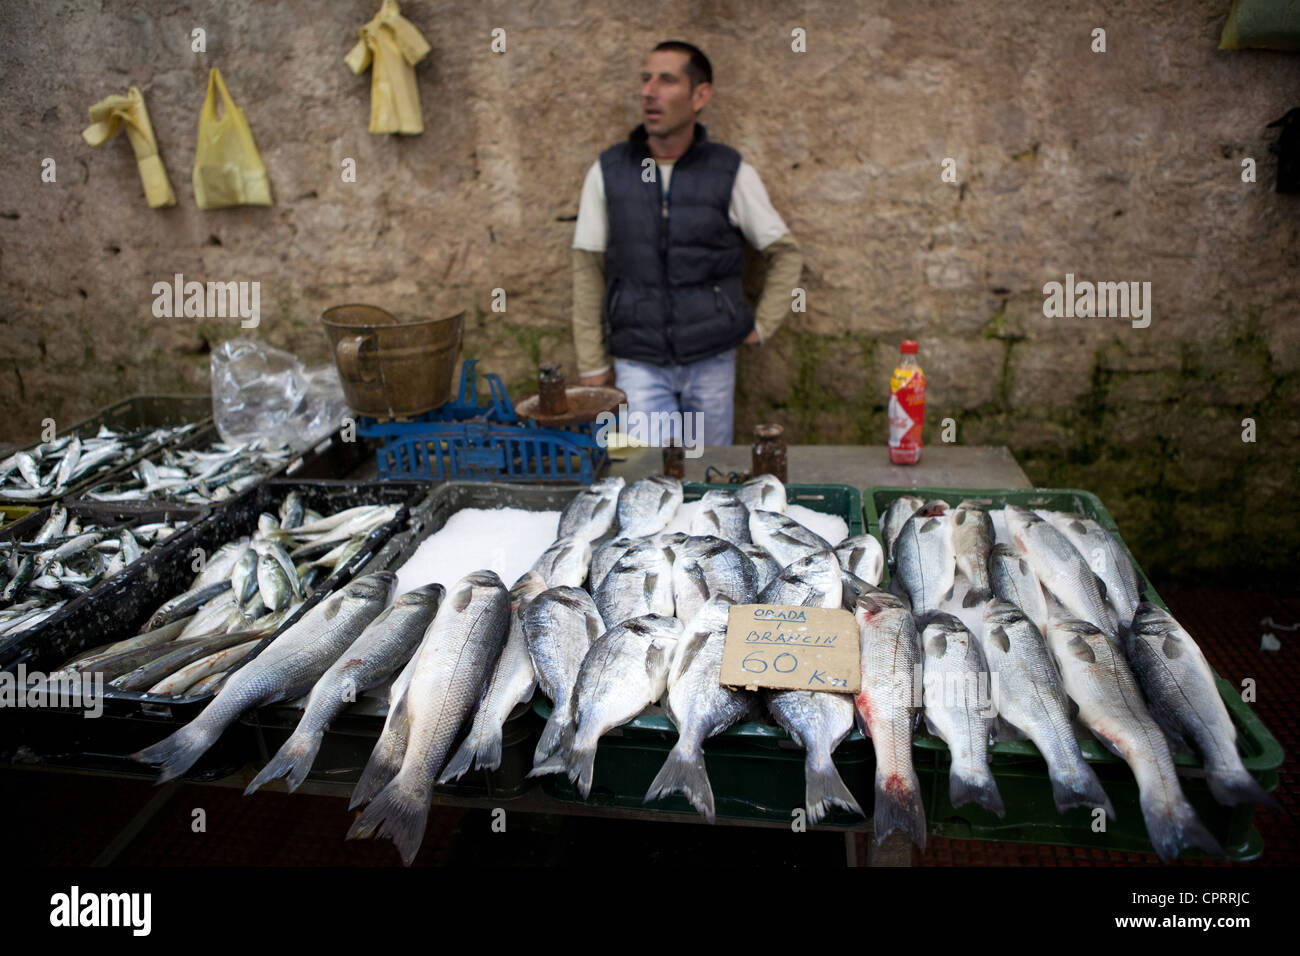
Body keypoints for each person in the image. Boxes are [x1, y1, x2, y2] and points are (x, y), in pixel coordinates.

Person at [571, 40, 803, 447]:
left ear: (701, 95)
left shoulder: (728, 171)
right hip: (638, 362)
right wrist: (592, 363)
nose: (649, 91)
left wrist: (762, 324)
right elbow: (588, 268)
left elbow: (784, 252)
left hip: (710, 359)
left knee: (706, 472)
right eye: (645, 79)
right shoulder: (610, 171)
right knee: (648, 476)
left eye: (666, 80)